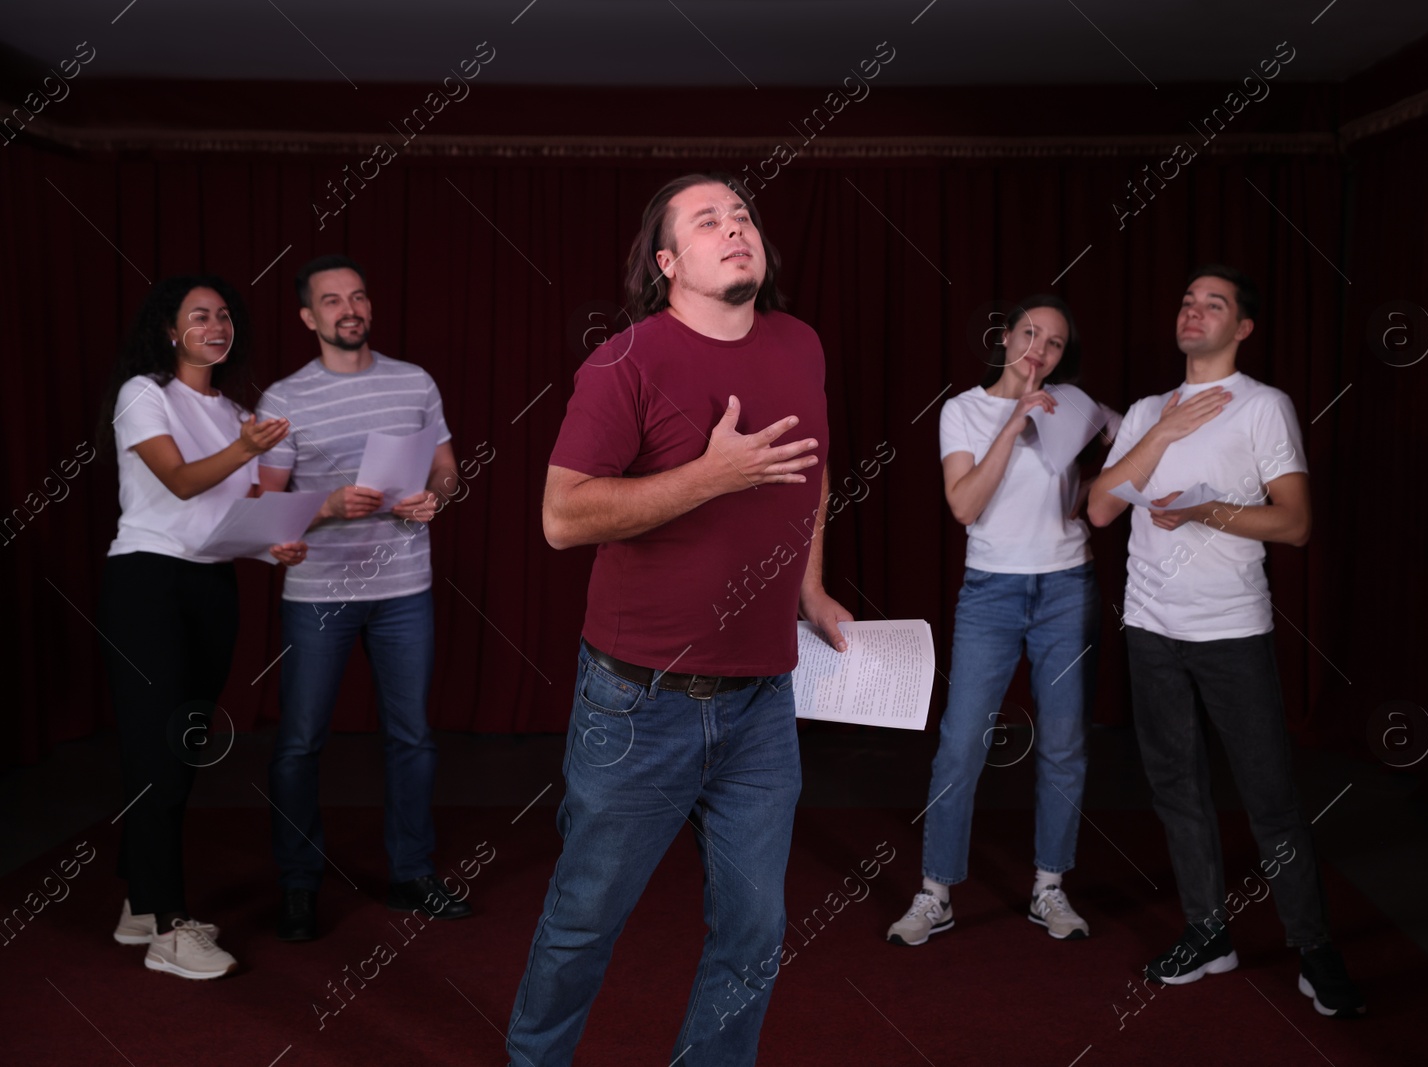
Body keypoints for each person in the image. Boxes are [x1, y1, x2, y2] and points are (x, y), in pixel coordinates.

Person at [504, 172, 852, 1067]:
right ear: (668, 263)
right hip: (638, 703)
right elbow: (561, 517)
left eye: (743, 215)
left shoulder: (801, 343)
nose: (735, 227)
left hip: (762, 704)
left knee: (755, 927)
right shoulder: (626, 361)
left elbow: (809, 476)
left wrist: (809, 587)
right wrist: (710, 474)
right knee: (584, 921)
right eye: (709, 220)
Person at [1085, 264, 1364, 1018]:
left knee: (1270, 799)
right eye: (1186, 300)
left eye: (1213, 303)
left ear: (1242, 328)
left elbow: (1296, 522)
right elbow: (1103, 509)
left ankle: (1314, 948)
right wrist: (1166, 430)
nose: (1193, 311)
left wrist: (1210, 511)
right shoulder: (1147, 408)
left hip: (1232, 632)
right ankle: (1209, 933)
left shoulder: (1263, 406)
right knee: (1178, 790)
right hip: (1150, 629)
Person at [886, 295, 1119, 947]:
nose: (1038, 350)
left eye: (1053, 342)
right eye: (1029, 333)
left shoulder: (1077, 407)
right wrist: (1015, 424)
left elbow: (1133, 459)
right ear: (1006, 337)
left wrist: (1111, 484)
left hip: (1067, 587)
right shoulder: (964, 410)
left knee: (1066, 740)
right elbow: (964, 504)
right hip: (991, 592)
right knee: (962, 740)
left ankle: (1049, 885)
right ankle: (937, 891)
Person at [98, 274, 307, 979]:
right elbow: (181, 483)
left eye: (223, 315)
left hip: (212, 584)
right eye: (198, 315)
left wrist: (272, 539)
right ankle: (169, 928)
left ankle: (140, 904)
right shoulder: (144, 395)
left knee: (183, 747)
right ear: (169, 329)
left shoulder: (235, 411)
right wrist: (250, 450)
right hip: (147, 582)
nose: (215, 325)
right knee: (155, 748)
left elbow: (228, 516)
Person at [257, 254, 463, 942]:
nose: (351, 308)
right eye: (332, 300)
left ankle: (411, 871)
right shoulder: (284, 399)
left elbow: (447, 469)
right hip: (318, 594)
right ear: (308, 318)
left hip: (406, 589)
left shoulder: (415, 383)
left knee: (412, 738)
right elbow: (265, 508)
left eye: (359, 295)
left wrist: (435, 495)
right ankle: (297, 883)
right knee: (299, 743)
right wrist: (332, 506)